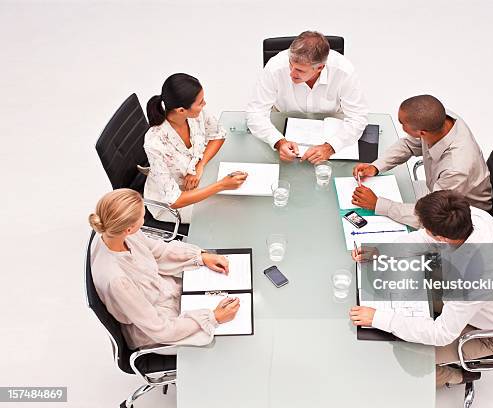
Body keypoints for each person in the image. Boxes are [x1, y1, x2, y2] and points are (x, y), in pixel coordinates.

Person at [349, 190, 493, 387]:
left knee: (408, 358)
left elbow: (441, 333)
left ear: (443, 237)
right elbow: (425, 239)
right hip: (475, 300)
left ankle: (456, 376)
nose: (424, 231)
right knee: (402, 283)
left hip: (492, 334)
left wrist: (378, 318)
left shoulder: (471, 277)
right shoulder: (470, 216)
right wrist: (381, 251)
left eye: (427, 228)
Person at [89, 188, 241, 350]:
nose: (144, 219)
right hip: (157, 330)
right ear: (129, 228)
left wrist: (200, 256)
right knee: (233, 337)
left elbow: (158, 251)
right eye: (142, 216)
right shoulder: (117, 280)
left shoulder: (115, 233)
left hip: (166, 294)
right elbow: (160, 330)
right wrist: (213, 317)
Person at [351, 95, 491, 227]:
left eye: (403, 124)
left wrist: (378, 204)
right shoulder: (438, 119)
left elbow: (430, 216)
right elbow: (408, 145)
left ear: (422, 133)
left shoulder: (457, 168)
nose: (402, 128)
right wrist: (375, 167)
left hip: (460, 218)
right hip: (442, 192)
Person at [246, 31, 368, 163]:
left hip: (331, 126)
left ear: (320, 67)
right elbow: (255, 113)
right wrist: (278, 142)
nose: (291, 73)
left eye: (299, 70)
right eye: (290, 65)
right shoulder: (275, 67)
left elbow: (358, 117)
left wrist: (331, 147)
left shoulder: (344, 70)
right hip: (282, 123)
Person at [145, 73, 247, 223]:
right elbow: (174, 200)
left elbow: (218, 134)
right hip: (172, 206)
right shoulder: (155, 143)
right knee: (233, 210)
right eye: (200, 102)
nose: (204, 104)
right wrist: (221, 185)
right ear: (181, 110)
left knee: (242, 199)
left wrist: (200, 165)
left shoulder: (193, 114)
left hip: (200, 181)